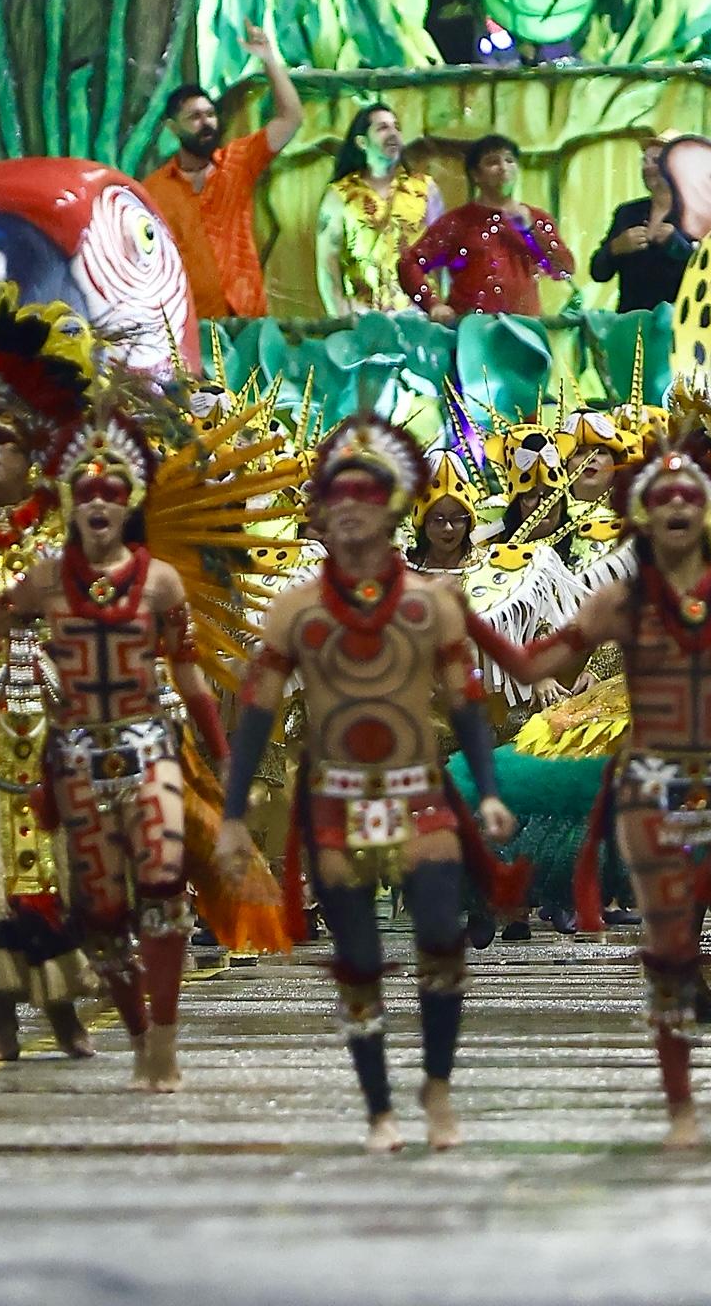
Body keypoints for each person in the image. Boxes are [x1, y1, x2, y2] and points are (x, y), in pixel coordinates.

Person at [217, 418, 516, 1153]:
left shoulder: (432, 604)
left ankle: (437, 1090)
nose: (351, 508)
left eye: (366, 495)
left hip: (420, 795)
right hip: (338, 801)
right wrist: (230, 817)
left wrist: (488, 791)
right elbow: (254, 718)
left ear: (392, 511)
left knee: (442, 941)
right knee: (356, 959)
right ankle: (380, 1107)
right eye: (336, 496)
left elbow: (469, 704)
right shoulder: (295, 611)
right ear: (319, 513)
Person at [516, 435, 711, 1144]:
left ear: (709, 512)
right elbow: (537, 662)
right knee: (671, 951)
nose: (676, 507)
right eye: (662, 498)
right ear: (642, 516)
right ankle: (680, 1108)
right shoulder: (619, 602)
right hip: (652, 791)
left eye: (688, 497)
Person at [0, 402, 227, 1093]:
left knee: (163, 886)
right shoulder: (45, 580)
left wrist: (223, 754)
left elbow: (188, 672)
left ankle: (166, 1041)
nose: (97, 503)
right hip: (75, 753)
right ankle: (139, 1032)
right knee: (101, 913)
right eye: (84, 494)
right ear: (67, 504)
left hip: (149, 748)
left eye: (110, 493)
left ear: (129, 504)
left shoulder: (162, 582)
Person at [135, 25, 304, 321]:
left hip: (249, 320)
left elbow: (291, 118)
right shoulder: (154, 190)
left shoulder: (238, 161)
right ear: (173, 128)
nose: (207, 123)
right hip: (192, 325)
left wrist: (268, 60)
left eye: (210, 114)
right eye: (195, 117)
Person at [400, 134, 577, 318]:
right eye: (493, 162)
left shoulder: (536, 219)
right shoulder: (458, 222)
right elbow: (409, 263)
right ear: (476, 175)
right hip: (470, 331)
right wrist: (432, 304)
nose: (503, 168)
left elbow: (564, 269)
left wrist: (531, 230)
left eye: (510, 161)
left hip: (524, 330)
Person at [314, 103, 436, 318]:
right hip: (364, 321)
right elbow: (327, 264)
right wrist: (340, 316)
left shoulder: (426, 190)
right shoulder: (340, 195)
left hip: (420, 319)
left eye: (396, 127)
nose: (393, 134)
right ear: (362, 142)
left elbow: (444, 256)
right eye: (382, 128)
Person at [594, 135, 701, 318]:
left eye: (656, 161)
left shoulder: (700, 214)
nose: (646, 167)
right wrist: (614, 248)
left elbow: (710, 273)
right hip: (632, 327)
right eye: (644, 161)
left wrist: (677, 245)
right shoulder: (627, 213)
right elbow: (598, 272)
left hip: (681, 329)